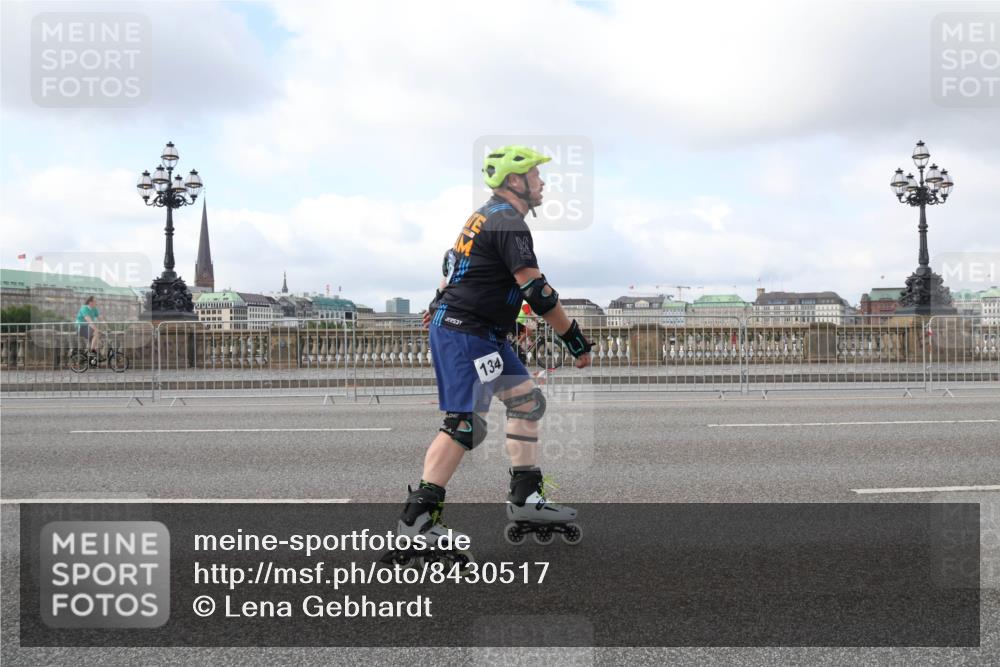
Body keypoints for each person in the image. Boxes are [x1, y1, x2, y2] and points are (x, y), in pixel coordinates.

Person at [390, 145, 593, 558]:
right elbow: (536, 290)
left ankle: (526, 500)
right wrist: (574, 338)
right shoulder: (508, 223)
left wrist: (436, 304)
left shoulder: (484, 216)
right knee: (466, 425)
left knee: (527, 403)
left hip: (484, 333)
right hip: (467, 333)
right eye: (536, 176)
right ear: (515, 182)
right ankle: (418, 522)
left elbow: (453, 265)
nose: (543, 183)